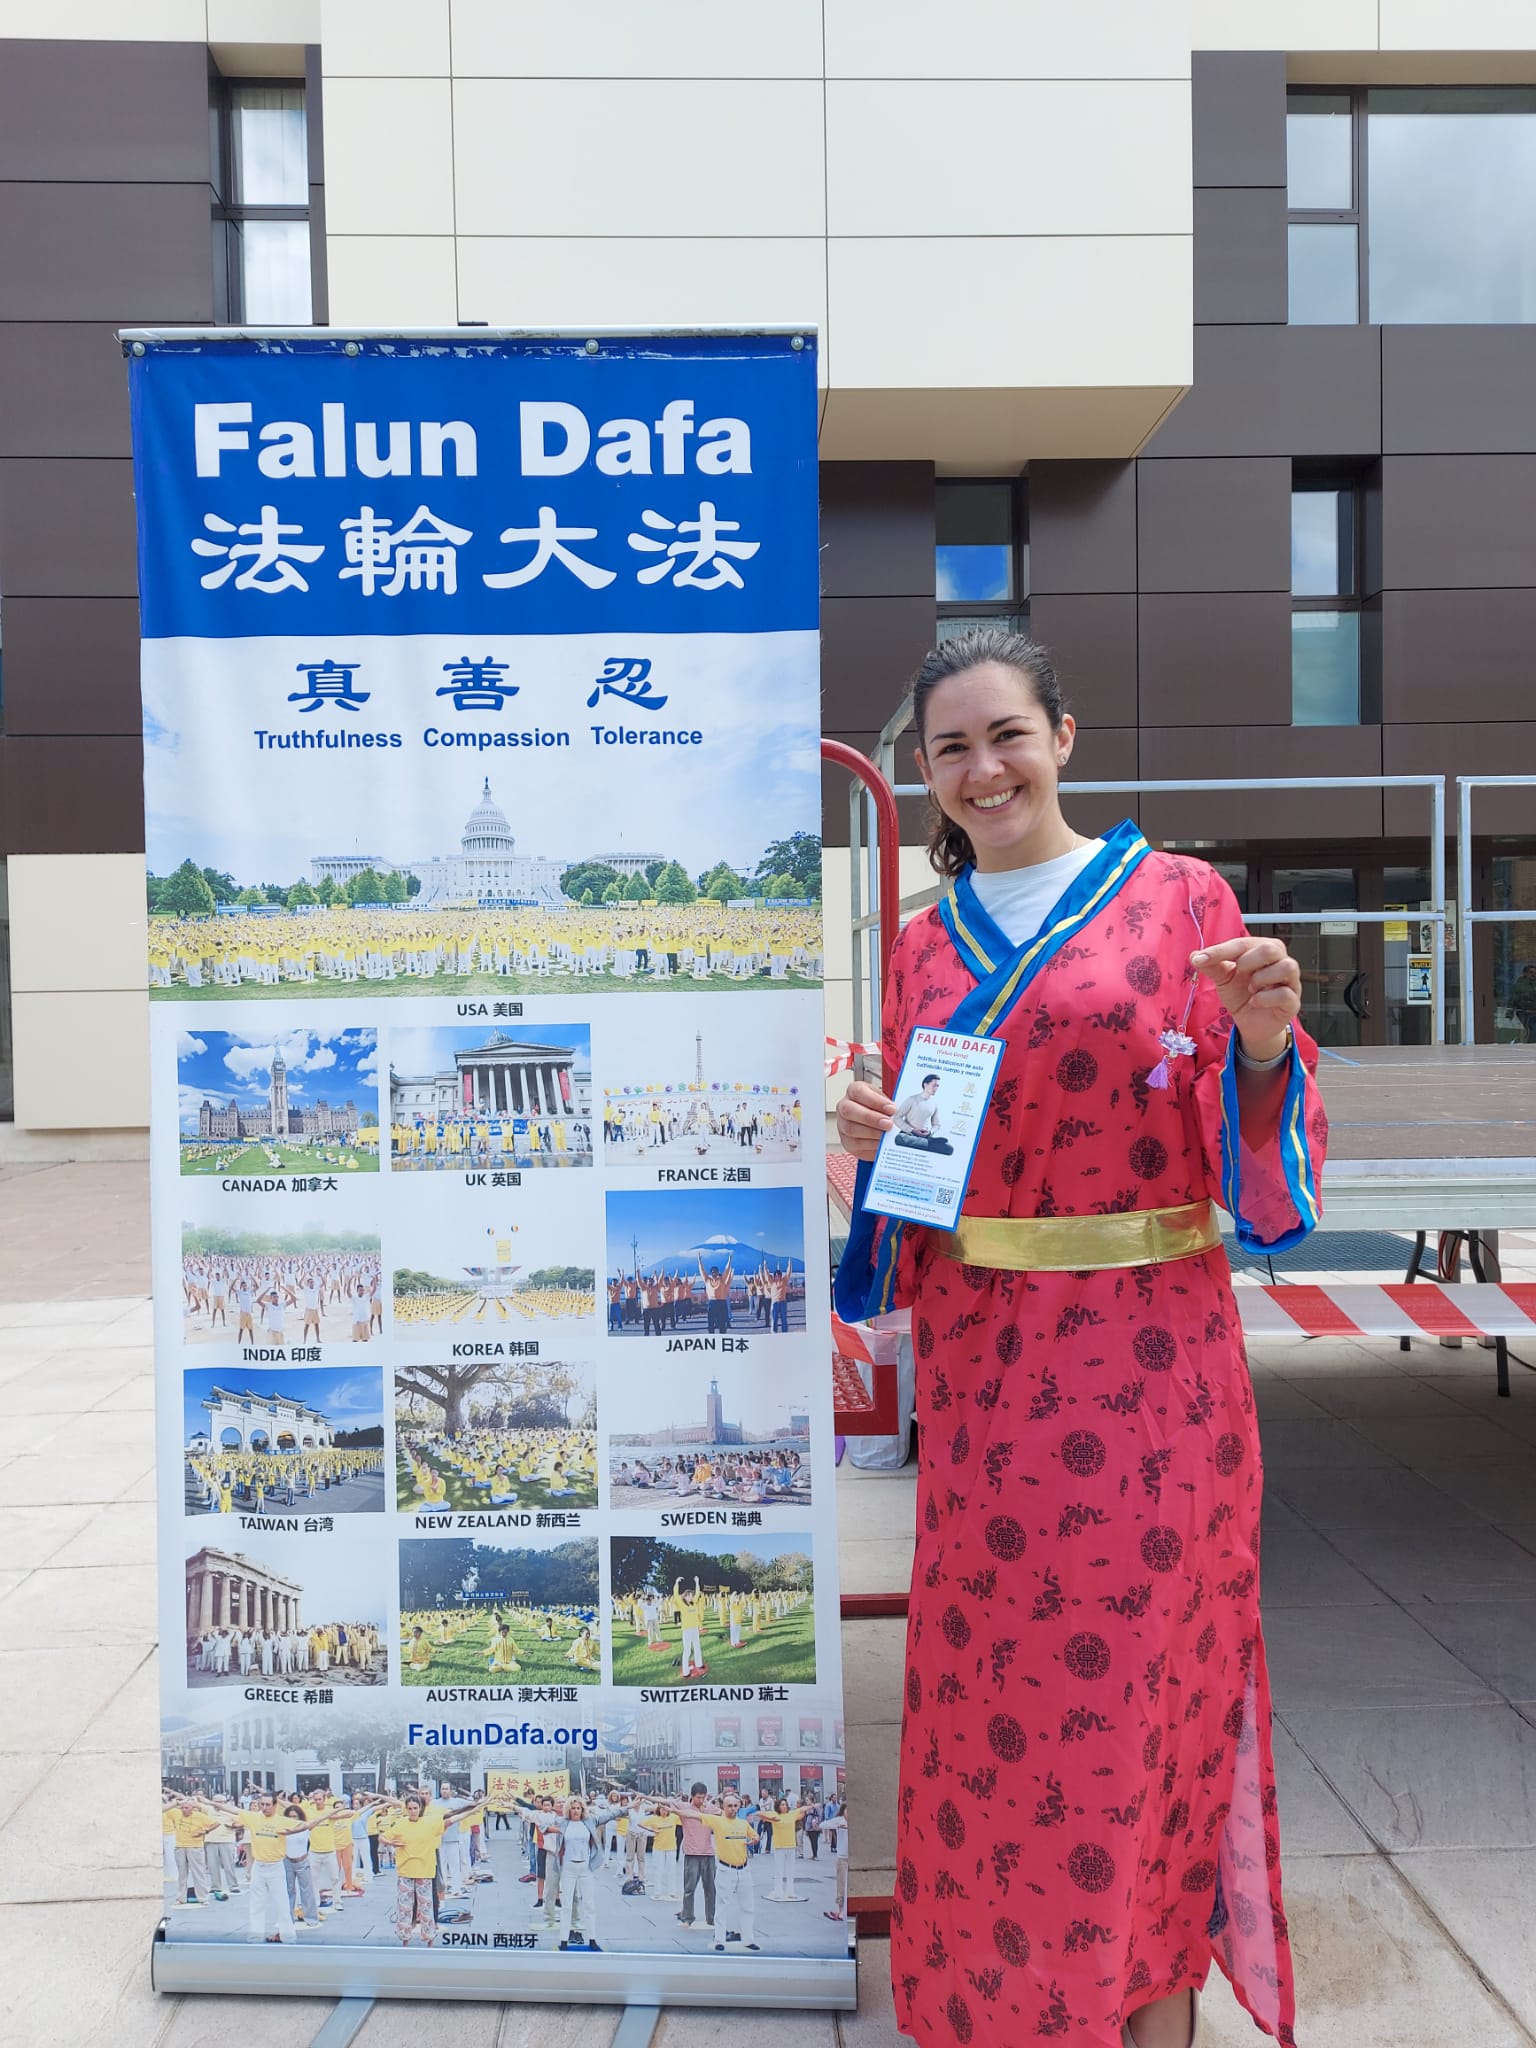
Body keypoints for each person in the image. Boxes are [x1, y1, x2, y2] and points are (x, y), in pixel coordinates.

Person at [834, 630, 1326, 2048]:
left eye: (1007, 735)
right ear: (928, 776)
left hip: (1155, 1368)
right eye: (951, 748)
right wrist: (868, 1145)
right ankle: (1006, 2009)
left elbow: (1252, 1167)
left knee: (1145, 1698)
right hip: (990, 1382)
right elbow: (916, 1195)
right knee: (995, 1702)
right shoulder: (921, 946)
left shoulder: (1181, 899)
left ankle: (1149, 2007)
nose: (983, 768)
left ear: (1063, 736)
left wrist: (1261, 1043)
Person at [891, 1073, 953, 1153]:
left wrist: (930, 1132)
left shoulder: (934, 1104)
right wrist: (912, 1130)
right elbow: (896, 1117)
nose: (936, 1088)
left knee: (949, 1149)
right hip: (909, 1134)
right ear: (925, 1084)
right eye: (934, 1085)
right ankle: (928, 1143)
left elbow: (937, 1124)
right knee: (900, 1138)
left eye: (937, 1086)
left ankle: (924, 1143)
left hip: (925, 1136)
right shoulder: (912, 1099)